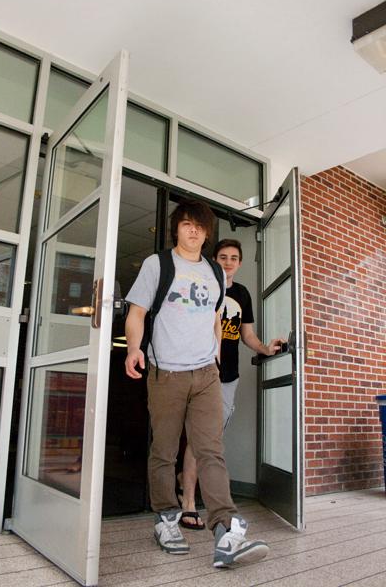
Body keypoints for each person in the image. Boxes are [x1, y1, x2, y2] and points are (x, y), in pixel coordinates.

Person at [124, 200, 269, 568]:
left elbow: (216, 319)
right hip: (166, 373)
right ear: (177, 229)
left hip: (205, 373)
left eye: (200, 227)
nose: (194, 231)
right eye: (187, 224)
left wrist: (217, 360)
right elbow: (138, 311)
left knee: (211, 449)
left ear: (207, 234)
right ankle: (167, 520)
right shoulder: (158, 265)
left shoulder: (217, 274)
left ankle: (225, 531)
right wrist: (133, 349)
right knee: (166, 450)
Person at [177, 238, 284, 530]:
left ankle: (190, 490)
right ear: (213, 259)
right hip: (197, 370)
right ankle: (188, 501)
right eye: (222, 257)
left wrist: (264, 348)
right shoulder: (201, 284)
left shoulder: (242, 294)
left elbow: (247, 335)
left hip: (227, 377)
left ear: (239, 262)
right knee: (201, 438)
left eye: (233, 258)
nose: (227, 262)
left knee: (210, 439)